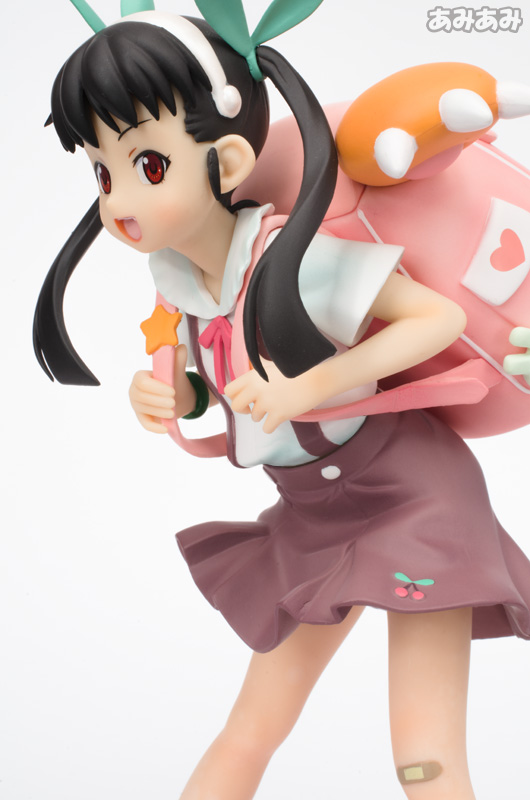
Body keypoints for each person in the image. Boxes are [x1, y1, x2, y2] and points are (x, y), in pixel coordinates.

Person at [33, 4, 530, 798]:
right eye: (103, 170)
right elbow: (217, 386)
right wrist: (172, 395)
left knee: (424, 756)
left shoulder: (294, 257)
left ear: (228, 159)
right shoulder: (181, 285)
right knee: (250, 730)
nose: (118, 198)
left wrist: (310, 385)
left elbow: (436, 319)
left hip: (418, 500)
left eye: (148, 165)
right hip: (311, 514)